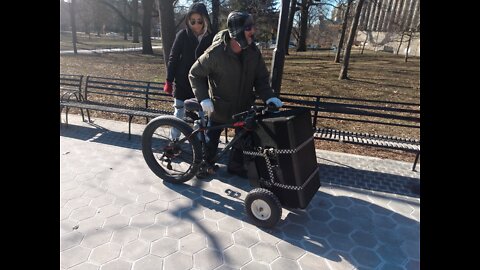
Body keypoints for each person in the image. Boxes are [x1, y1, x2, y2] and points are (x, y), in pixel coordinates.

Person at [188, 10, 283, 178]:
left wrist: (269, 96)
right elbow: (195, 74)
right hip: (218, 108)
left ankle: (235, 167)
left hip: (243, 108)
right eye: (248, 27)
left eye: (252, 26)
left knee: (242, 141)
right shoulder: (216, 53)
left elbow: (261, 78)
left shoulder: (253, 52)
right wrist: (203, 98)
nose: (253, 31)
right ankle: (205, 165)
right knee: (211, 140)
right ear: (238, 31)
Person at [164, 2, 214, 140]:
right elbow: (173, 58)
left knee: (201, 117)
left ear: (205, 20)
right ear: (188, 21)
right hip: (182, 83)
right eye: (193, 21)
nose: (196, 25)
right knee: (178, 115)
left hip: (201, 84)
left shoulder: (211, 37)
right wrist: (169, 80)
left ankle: (200, 146)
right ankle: (173, 143)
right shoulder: (182, 35)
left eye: (200, 21)